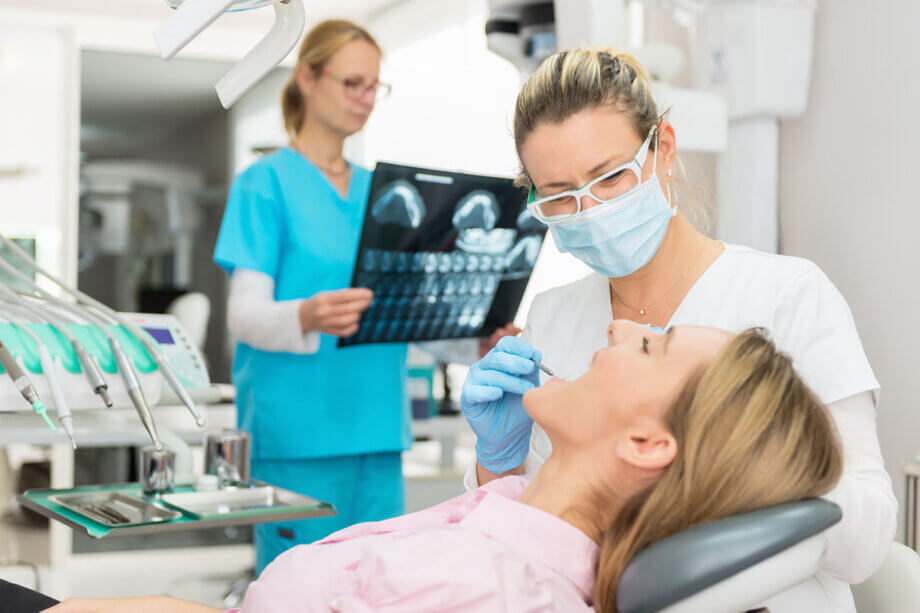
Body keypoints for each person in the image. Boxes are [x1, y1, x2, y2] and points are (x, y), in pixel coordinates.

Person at [458, 46, 896, 611]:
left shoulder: (787, 295)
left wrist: (731, 451)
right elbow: (527, 537)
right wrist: (498, 460)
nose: (588, 210)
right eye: (559, 197)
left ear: (662, 149)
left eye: (609, 177)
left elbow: (866, 540)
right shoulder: (553, 316)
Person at [43, 323, 842, 613]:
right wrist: (502, 468)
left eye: (648, 345)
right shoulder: (519, 525)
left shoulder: (487, 590)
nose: (619, 323)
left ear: (645, 444)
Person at [212, 19, 408, 574]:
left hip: (377, 431)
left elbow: (400, 310)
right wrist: (307, 313)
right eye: (353, 83)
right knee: (298, 591)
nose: (366, 99)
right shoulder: (264, 183)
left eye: (375, 86)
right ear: (307, 77)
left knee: (380, 590)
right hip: (298, 436)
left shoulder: (383, 191)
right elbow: (244, 315)